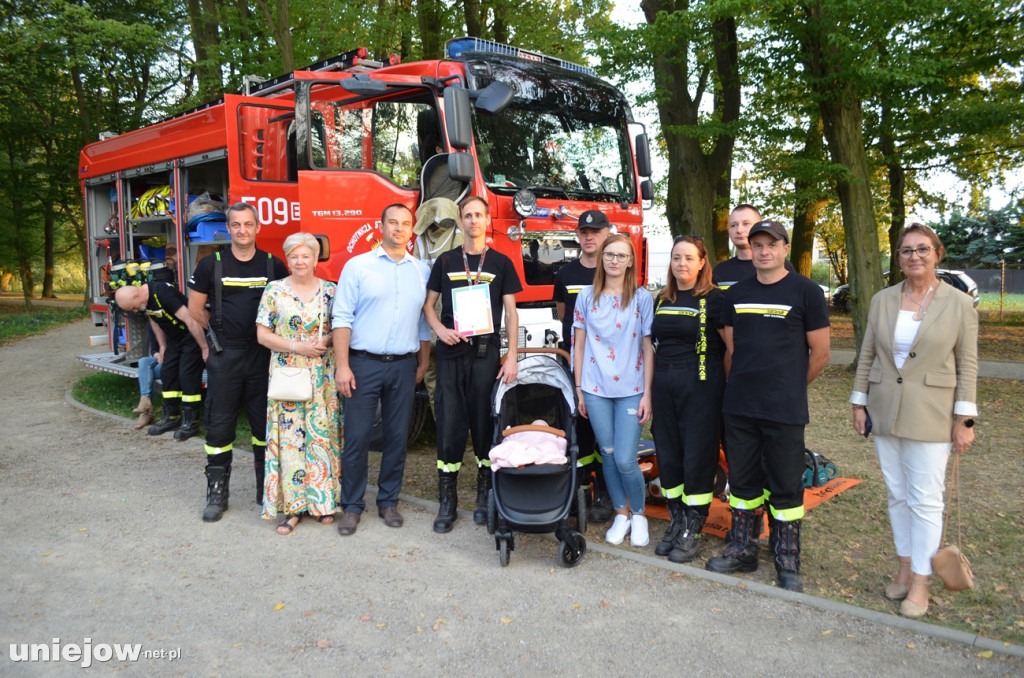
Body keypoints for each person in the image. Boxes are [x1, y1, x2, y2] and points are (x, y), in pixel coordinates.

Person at [849, 223, 978, 618]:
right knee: (897, 494)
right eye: (906, 250)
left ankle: (922, 580)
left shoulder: (959, 304)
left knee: (924, 500)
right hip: (885, 408)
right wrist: (859, 402)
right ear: (898, 257)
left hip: (933, 413)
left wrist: (965, 419)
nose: (914, 257)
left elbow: (967, 363)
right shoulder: (883, 300)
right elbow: (867, 352)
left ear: (937, 253)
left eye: (922, 249)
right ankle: (904, 566)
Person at [706, 220, 830, 592]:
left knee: (786, 486)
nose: (763, 251)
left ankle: (786, 557)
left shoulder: (807, 291)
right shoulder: (736, 294)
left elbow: (821, 354)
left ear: (785, 249)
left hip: (784, 409)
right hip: (740, 406)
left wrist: (789, 388)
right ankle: (743, 548)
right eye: (757, 245)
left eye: (771, 245)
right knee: (743, 482)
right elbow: (732, 350)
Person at [424, 196, 522, 534]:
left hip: (486, 355)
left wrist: (511, 355)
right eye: (467, 215)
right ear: (460, 221)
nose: (473, 221)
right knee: (450, 425)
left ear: (486, 219)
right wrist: (439, 330)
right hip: (451, 353)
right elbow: (428, 306)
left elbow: (511, 312)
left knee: (483, 424)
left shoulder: (501, 262)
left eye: (478, 215)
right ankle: (447, 501)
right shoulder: (446, 260)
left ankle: (484, 495)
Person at [332, 204, 431, 536]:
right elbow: (341, 318)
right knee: (357, 437)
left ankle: (388, 501)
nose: (399, 228)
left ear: (411, 229)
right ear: (381, 225)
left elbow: (423, 322)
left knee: (397, 437)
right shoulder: (358, 266)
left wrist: (424, 362)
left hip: (403, 366)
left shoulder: (422, 271)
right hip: (362, 364)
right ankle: (352, 506)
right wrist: (342, 366)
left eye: (405, 223)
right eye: (393, 222)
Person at [188, 202, 288, 523]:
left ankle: (265, 490)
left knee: (265, 427)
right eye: (236, 225)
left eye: (248, 224)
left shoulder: (274, 266)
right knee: (219, 426)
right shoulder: (211, 265)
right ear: (227, 229)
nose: (242, 230)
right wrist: (212, 342)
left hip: (263, 357)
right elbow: (194, 310)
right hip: (226, 355)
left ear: (257, 228)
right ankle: (217, 493)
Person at [572, 234, 655, 547]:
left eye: (621, 255)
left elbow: (648, 347)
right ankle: (621, 514)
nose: (615, 260)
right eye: (610, 254)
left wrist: (648, 393)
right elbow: (578, 344)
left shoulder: (642, 298)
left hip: (632, 388)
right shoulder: (585, 297)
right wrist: (580, 388)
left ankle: (640, 514)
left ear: (631, 260)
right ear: (602, 258)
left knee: (624, 458)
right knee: (606, 455)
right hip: (595, 388)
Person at [256, 233, 341, 534]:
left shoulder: (331, 291)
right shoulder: (274, 290)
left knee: (321, 438)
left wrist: (326, 339)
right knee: (291, 442)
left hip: (321, 377)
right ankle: (292, 509)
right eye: (294, 256)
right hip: (288, 375)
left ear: (316, 259)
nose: (300, 261)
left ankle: (322, 503)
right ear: (287, 259)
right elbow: (262, 335)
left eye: (306, 256)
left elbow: (340, 329)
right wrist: (297, 347)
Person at [650, 235, 728, 562]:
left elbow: (730, 350)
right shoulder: (661, 299)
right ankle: (676, 521)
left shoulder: (715, 299)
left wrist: (721, 387)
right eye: (676, 257)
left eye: (688, 258)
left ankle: (692, 529)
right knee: (668, 453)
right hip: (664, 384)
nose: (682, 263)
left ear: (701, 262)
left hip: (700, 384)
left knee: (697, 456)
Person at [553, 210, 613, 522]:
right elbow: (564, 316)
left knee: (602, 428)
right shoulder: (565, 275)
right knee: (577, 426)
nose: (589, 237)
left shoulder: (615, 272)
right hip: (574, 361)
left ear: (607, 233)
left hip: (606, 364)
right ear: (578, 236)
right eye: (584, 232)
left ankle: (603, 492)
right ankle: (579, 489)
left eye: (596, 231)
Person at [114, 281, 208, 439]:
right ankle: (171, 417)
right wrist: (162, 346)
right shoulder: (146, 302)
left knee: (187, 375)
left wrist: (205, 348)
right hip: (175, 339)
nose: (136, 311)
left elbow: (191, 320)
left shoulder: (162, 294)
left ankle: (191, 422)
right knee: (168, 372)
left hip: (192, 336)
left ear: (136, 295)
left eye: (134, 307)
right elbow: (154, 321)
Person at [713, 204, 793, 289]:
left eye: (746, 224)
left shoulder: (780, 266)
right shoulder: (720, 270)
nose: (739, 230)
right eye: (733, 225)